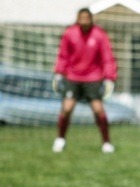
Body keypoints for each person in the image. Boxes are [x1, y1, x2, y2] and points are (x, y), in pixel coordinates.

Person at [52, 8, 117, 153]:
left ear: (91, 19)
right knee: (67, 108)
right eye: (81, 18)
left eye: (87, 18)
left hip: (93, 78)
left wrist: (109, 78)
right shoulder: (70, 33)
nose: (84, 21)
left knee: (98, 110)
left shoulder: (99, 35)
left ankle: (106, 143)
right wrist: (58, 73)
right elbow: (63, 55)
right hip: (73, 77)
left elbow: (107, 58)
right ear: (77, 18)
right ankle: (60, 140)